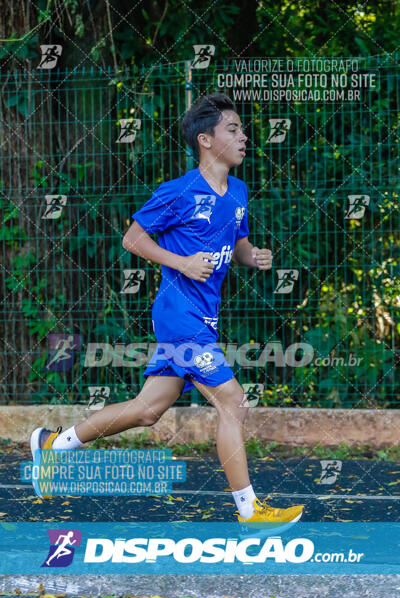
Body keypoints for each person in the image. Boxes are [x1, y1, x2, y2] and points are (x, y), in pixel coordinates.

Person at [30, 92, 304, 528]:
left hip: (203, 317)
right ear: (206, 140)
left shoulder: (238, 191)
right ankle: (251, 512)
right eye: (232, 129)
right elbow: (133, 240)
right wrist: (182, 263)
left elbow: (238, 245)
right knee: (232, 402)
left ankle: (52, 446)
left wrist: (255, 257)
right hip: (179, 316)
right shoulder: (177, 192)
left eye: (242, 129)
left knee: (146, 410)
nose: (244, 136)